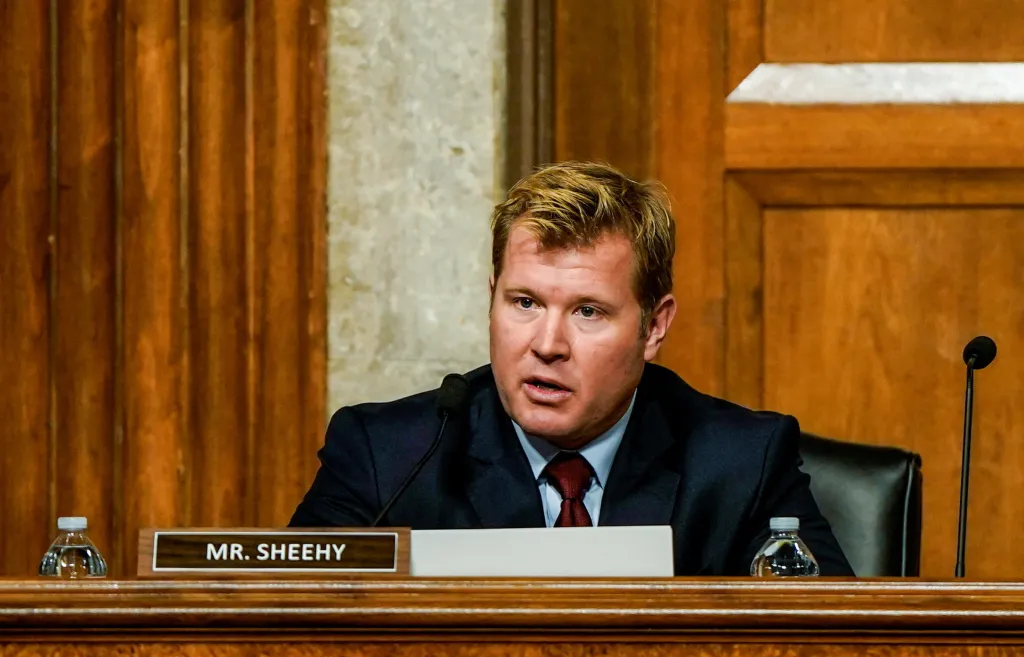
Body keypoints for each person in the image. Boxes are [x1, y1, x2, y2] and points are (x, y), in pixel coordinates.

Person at [291, 161, 854, 576]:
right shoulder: (388, 458)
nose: (547, 344)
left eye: (588, 311)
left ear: (653, 327)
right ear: (492, 299)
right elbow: (283, 632)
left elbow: (835, 651)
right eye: (525, 303)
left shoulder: (741, 462)